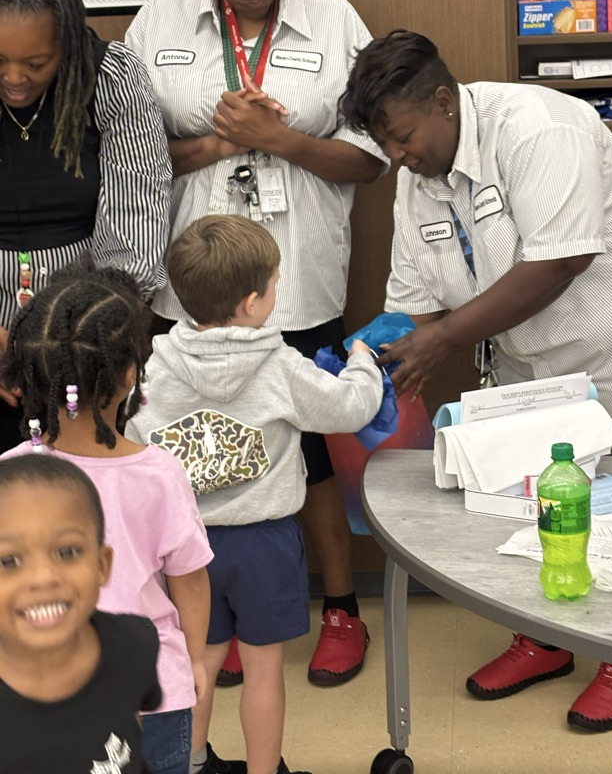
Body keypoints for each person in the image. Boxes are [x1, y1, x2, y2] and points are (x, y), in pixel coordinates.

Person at [341, 28, 612, 732]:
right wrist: (371, 355)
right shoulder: (416, 183)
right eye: (386, 145)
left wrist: (446, 338)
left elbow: (562, 261)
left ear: (442, 100)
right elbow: (413, 304)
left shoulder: (536, 128)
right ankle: (549, 640)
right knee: (544, 499)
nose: (397, 157)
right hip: (547, 370)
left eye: (402, 136)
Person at [125, 0, 386, 690]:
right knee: (197, 452)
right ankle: (220, 611)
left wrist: (280, 141)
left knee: (304, 449)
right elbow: (127, 157)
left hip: (293, 284)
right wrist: (214, 143)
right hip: (191, 291)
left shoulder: (335, 20)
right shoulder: (159, 20)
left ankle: (340, 606)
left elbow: (374, 158)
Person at [126, 214, 384, 774]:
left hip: (183, 551)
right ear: (250, 303)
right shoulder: (280, 365)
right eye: (273, 285)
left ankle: (188, 762)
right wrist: (362, 361)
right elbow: (349, 409)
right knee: (264, 668)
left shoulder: (153, 371)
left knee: (198, 661)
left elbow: (133, 445)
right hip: (265, 543)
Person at [1, 259, 214, 774]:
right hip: (153, 687)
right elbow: (190, 581)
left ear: (31, 377)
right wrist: (198, 659)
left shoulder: (11, 474)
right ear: (129, 375)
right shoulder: (160, 474)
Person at [0, 0, 172, 453]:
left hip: (84, 332)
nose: (14, 77)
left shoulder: (112, 79)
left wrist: (72, 343)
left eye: (36, 63)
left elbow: (135, 215)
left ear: (69, 43)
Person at [0, 453, 162, 774]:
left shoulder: (135, 643)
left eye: (67, 552)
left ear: (102, 565)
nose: (43, 577)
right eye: (9, 561)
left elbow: (129, 720)